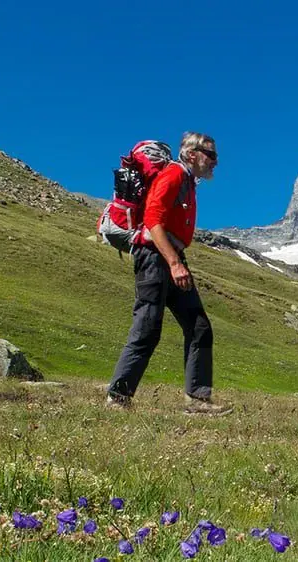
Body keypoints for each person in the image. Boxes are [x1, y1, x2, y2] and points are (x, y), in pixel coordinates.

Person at [107, 132, 232, 416]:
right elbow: (152, 220)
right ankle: (117, 397)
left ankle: (198, 399)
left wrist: (177, 261)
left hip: (170, 257)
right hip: (155, 257)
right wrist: (175, 263)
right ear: (191, 154)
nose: (215, 162)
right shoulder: (174, 174)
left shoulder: (188, 182)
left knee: (199, 326)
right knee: (147, 328)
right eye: (210, 155)